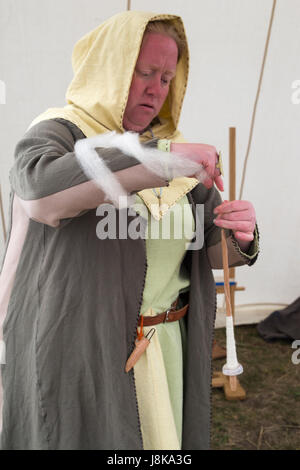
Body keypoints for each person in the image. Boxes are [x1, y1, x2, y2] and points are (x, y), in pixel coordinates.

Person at [0, 11, 259, 450]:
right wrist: (161, 157)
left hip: (168, 346)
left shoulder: (174, 150)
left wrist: (240, 234)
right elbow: (40, 191)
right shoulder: (60, 132)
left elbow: (206, 246)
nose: (156, 89)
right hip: (88, 347)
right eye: (145, 72)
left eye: (165, 78)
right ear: (112, 69)